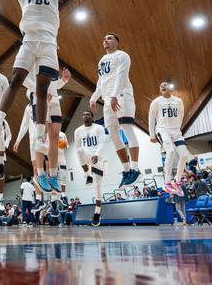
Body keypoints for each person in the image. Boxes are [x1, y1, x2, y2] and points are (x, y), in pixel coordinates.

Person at [0, 0, 66, 195]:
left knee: (42, 91)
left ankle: (39, 132)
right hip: (29, 40)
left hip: (48, 43)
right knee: (14, 80)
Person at [90, 33, 140, 187]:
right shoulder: (102, 61)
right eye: (104, 38)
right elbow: (101, 81)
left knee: (127, 129)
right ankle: (126, 170)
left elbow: (121, 76)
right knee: (113, 134)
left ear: (117, 42)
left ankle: (135, 168)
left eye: (109, 38)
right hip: (107, 99)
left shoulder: (122, 55)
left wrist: (114, 95)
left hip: (122, 95)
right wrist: (93, 97)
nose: (105, 40)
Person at [14, 69, 70, 192]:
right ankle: (40, 175)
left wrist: (63, 81)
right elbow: (23, 79)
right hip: (39, 97)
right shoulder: (33, 58)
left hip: (54, 99)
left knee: (54, 139)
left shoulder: (52, 61)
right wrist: (41, 92)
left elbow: (53, 85)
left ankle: (53, 176)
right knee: (41, 137)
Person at [149, 82, 193, 196]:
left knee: (184, 155)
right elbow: (151, 118)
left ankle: (177, 182)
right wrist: (151, 134)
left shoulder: (178, 101)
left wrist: (177, 128)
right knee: (171, 151)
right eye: (161, 86)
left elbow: (181, 115)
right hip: (163, 130)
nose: (162, 86)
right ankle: (167, 182)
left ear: (170, 88)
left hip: (176, 131)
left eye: (165, 85)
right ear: (160, 90)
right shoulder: (156, 102)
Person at [74, 111, 107, 226]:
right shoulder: (78, 131)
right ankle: (87, 174)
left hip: (98, 158)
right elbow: (78, 146)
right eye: (83, 114)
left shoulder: (99, 128)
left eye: (88, 114)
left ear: (92, 117)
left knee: (97, 186)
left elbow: (103, 143)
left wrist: (97, 155)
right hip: (87, 156)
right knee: (79, 150)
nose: (85, 116)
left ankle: (97, 212)